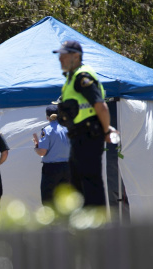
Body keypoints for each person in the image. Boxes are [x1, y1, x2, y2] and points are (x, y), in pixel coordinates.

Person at [53, 40, 118, 206]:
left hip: (89, 134)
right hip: (79, 136)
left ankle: (98, 226)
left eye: (64, 55)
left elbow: (100, 106)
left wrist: (106, 131)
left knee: (90, 182)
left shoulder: (82, 77)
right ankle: (85, 224)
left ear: (76, 56)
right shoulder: (72, 78)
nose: (60, 59)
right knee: (77, 182)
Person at [32, 105, 71, 205]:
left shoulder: (47, 130)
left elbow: (42, 152)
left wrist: (36, 146)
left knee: (49, 200)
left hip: (52, 169)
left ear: (47, 117)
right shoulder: (68, 128)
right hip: (68, 167)